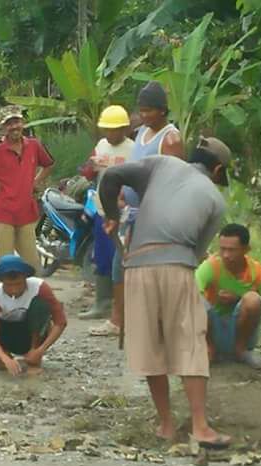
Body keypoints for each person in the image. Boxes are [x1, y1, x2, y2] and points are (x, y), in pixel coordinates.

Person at [99, 137, 232, 448]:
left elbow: (110, 177)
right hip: (178, 266)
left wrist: (112, 216)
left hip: (138, 268)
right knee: (189, 344)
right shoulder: (216, 199)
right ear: (217, 169)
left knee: (150, 345)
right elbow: (196, 253)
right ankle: (200, 426)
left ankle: (166, 424)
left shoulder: (160, 164)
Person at [91, 82, 185, 337]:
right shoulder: (141, 133)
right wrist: (120, 195)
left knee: (149, 268)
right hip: (130, 210)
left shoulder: (170, 138)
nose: (143, 116)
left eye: (149, 111)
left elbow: (171, 181)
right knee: (120, 264)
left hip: (153, 213)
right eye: (141, 110)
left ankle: (153, 322)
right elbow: (133, 170)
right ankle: (118, 320)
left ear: (162, 111)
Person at [0, 106, 55, 270]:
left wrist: (36, 181)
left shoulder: (34, 146)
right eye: (9, 123)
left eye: (17, 122)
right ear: (3, 127)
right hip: (4, 213)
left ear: (23, 123)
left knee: (33, 267)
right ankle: (8, 295)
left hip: (26, 212)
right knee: (7, 266)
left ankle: (33, 295)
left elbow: (49, 164)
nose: (14, 126)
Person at [78, 105, 134, 321]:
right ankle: (102, 302)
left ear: (124, 129)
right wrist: (91, 166)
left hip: (124, 213)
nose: (110, 134)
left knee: (120, 259)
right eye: (107, 130)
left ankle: (122, 306)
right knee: (102, 256)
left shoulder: (133, 149)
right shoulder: (101, 146)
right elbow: (88, 173)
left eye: (115, 130)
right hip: (103, 211)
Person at [0, 255, 67, 376]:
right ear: (2, 282)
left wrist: (40, 350)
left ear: (26, 278)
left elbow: (60, 322)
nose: (14, 290)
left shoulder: (39, 288)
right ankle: (1, 359)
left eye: (18, 284)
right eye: (9, 285)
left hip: (29, 334)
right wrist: (5, 358)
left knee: (40, 306)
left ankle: (33, 359)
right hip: (6, 335)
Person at [195, 223, 261, 369]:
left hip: (243, 333)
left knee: (252, 299)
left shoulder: (260, 274)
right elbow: (191, 291)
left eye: (232, 250)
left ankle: (241, 351)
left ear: (246, 250)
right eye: (222, 249)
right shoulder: (211, 266)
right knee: (194, 297)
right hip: (213, 330)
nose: (225, 255)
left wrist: (239, 299)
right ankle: (209, 350)